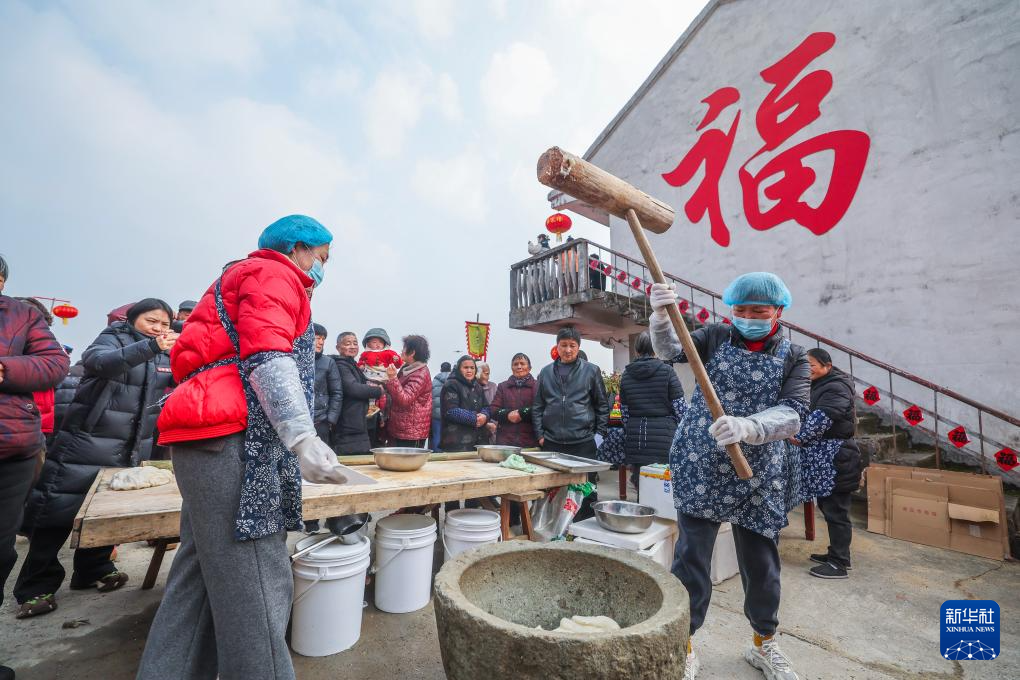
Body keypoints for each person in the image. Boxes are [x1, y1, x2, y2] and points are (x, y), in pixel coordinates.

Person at [135, 215, 349, 680]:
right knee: (257, 584)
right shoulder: (272, 273)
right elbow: (268, 355)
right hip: (233, 440)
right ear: (298, 248)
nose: (322, 268)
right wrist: (301, 436)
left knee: (199, 577)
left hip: (205, 438)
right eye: (322, 257)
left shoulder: (238, 278)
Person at [648, 272, 809, 680]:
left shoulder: (794, 356)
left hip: (758, 472)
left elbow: (793, 414)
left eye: (759, 310)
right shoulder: (716, 336)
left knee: (761, 563)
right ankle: (683, 644)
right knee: (691, 559)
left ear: (778, 311)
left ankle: (763, 642)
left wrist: (749, 426)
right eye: (741, 310)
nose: (748, 317)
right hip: (701, 462)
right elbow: (670, 351)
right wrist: (662, 317)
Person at [16, 298, 177, 618]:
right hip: (86, 441)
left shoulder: (165, 353)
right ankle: (36, 586)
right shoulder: (113, 338)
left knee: (108, 510)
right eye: (151, 321)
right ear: (132, 320)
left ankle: (93, 569)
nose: (158, 328)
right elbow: (99, 363)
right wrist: (151, 346)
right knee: (58, 511)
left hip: (132, 444)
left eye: (164, 324)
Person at [0, 254, 69, 680]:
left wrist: (4, 368)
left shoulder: (21, 316)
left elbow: (55, 365)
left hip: (13, 445)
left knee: (1, 545)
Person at [790, 348, 861, 580]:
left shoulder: (836, 387)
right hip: (827, 458)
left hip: (838, 457)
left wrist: (797, 437)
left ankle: (839, 564)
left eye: (811, 364)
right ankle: (836, 554)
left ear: (827, 366)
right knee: (829, 508)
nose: (807, 369)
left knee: (837, 511)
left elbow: (821, 418)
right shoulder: (820, 384)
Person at [533, 326, 609, 520]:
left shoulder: (591, 371)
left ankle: (585, 528)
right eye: (564, 345)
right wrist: (540, 435)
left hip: (583, 442)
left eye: (572, 345)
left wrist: (598, 437)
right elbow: (538, 406)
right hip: (552, 442)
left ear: (578, 347)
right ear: (557, 347)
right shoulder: (546, 372)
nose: (568, 350)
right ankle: (554, 527)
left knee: (586, 488)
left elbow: (602, 405)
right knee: (553, 488)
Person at [619, 331, 684, 493]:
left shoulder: (626, 375)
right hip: (664, 439)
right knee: (664, 490)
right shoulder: (667, 371)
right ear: (656, 349)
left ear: (636, 350)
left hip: (636, 440)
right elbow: (681, 409)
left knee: (642, 489)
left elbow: (624, 414)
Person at [331, 332, 384, 454]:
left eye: (355, 343)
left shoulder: (352, 364)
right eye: (348, 343)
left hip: (357, 421)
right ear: (338, 347)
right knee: (352, 458)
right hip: (348, 422)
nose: (352, 346)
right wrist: (378, 390)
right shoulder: (341, 365)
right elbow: (353, 388)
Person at [382, 335, 433, 448]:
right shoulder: (408, 369)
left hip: (411, 433)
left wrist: (393, 378)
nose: (402, 351)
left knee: (407, 459)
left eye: (404, 348)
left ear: (412, 352)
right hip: (401, 428)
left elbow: (405, 400)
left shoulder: (420, 373)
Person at [440, 355, 490, 451]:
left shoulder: (477, 386)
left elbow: (486, 407)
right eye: (465, 367)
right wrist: (475, 418)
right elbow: (451, 411)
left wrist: (485, 416)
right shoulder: (451, 384)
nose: (469, 371)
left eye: (472, 368)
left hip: (478, 440)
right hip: (456, 442)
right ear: (459, 369)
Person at [489, 353, 539, 448]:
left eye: (522, 364)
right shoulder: (503, 387)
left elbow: (541, 408)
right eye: (515, 364)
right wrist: (508, 415)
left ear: (529, 368)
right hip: (505, 442)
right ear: (512, 368)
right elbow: (493, 410)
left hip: (530, 442)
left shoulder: (538, 386)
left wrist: (521, 413)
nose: (519, 367)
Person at [312, 323, 343, 442]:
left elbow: (337, 393)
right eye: (317, 338)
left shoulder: (328, 362)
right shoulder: (293, 359)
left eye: (323, 339)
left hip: (320, 421)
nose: (321, 342)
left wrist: (330, 419)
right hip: (297, 421)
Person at [430, 361, 452, 451]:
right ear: (450, 369)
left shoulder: (434, 381)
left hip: (436, 413)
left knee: (437, 435)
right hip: (450, 413)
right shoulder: (453, 380)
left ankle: (436, 454)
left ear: (441, 369)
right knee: (450, 435)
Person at [477, 362, 497, 442]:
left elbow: (496, 407)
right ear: (477, 374)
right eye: (486, 374)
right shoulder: (470, 388)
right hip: (476, 429)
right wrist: (485, 424)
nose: (488, 377)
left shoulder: (493, 387)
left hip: (493, 430)